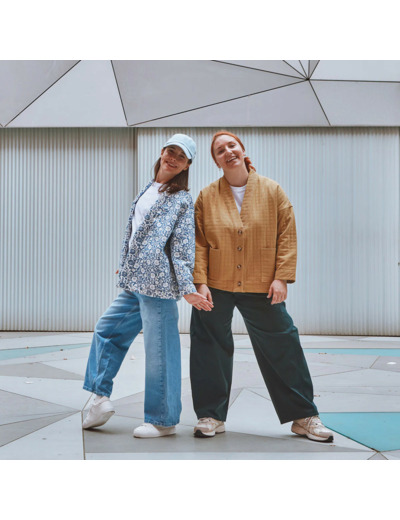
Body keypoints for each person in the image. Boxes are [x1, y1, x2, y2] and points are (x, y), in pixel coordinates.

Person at [189, 131, 334, 442]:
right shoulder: (206, 196)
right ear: (216, 161)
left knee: (283, 344)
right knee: (208, 346)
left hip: (262, 283)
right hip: (215, 284)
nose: (228, 151)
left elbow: (287, 235)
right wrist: (199, 282)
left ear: (242, 150)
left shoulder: (272, 190)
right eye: (220, 150)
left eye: (232, 145)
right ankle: (211, 415)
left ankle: (304, 416)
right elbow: (198, 242)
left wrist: (282, 277)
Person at [82, 133, 213, 438]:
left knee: (160, 353)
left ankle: (163, 421)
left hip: (159, 286)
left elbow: (182, 247)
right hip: (135, 282)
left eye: (181, 156)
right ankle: (99, 398)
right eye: (171, 151)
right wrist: (128, 263)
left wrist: (187, 288)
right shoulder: (149, 188)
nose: (173, 158)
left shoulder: (181, 200)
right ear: (162, 151)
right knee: (106, 331)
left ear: (187, 165)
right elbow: (136, 232)